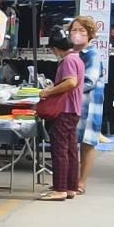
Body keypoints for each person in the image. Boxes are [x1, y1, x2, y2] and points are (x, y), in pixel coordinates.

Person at [38, 29, 86, 201]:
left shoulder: (68, 60)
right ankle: (71, 186)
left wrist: (49, 91)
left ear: (56, 48)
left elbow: (71, 82)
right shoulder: (77, 58)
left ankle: (60, 189)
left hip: (64, 110)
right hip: (73, 109)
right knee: (71, 149)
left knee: (60, 150)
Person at [72, 17, 105, 194]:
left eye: (82, 31)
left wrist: (67, 89)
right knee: (73, 142)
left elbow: (89, 81)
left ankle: (82, 182)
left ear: (90, 35)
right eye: (74, 30)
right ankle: (72, 179)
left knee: (87, 143)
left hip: (89, 104)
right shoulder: (71, 53)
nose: (76, 34)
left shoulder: (91, 54)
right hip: (75, 103)